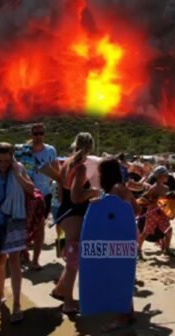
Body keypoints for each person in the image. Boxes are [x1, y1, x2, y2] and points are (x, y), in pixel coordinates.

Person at [0, 142, 35, 323]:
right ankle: (0, 295)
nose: (3, 164)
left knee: (14, 261)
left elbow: (30, 189)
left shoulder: (18, 168)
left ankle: (17, 303)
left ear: (12, 157)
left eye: (6, 160)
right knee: (0, 260)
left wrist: (17, 174)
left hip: (15, 220)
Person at [50, 132, 99, 315]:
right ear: (91, 147)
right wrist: (91, 192)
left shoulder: (66, 164)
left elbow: (62, 196)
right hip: (75, 215)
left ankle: (60, 290)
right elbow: (76, 197)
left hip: (64, 213)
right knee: (74, 260)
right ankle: (68, 302)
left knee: (72, 258)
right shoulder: (80, 168)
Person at [96, 157, 137, 331]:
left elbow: (112, 215)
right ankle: (129, 312)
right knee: (124, 274)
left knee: (117, 276)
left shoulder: (114, 190)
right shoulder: (123, 188)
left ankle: (121, 318)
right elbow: (136, 208)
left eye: (100, 172)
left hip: (119, 236)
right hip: (129, 233)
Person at [17, 123, 59, 271]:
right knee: (24, 226)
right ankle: (23, 254)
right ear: (31, 134)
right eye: (35, 133)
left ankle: (35, 260)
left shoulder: (50, 150)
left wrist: (59, 190)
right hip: (26, 194)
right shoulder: (23, 151)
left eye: (41, 133)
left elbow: (56, 171)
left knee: (40, 226)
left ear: (44, 134)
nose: (38, 136)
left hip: (44, 194)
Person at [138, 165, 174, 257]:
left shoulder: (166, 188)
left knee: (169, 230)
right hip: (153, 213)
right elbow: (143, 199)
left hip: (162, 213)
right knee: (146, 232)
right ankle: (138, 250)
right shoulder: (153, 188)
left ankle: (167, 249)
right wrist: (153, 202)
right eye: (165, 175)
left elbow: (167, 201)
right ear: (159, 177)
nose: (167, 177)